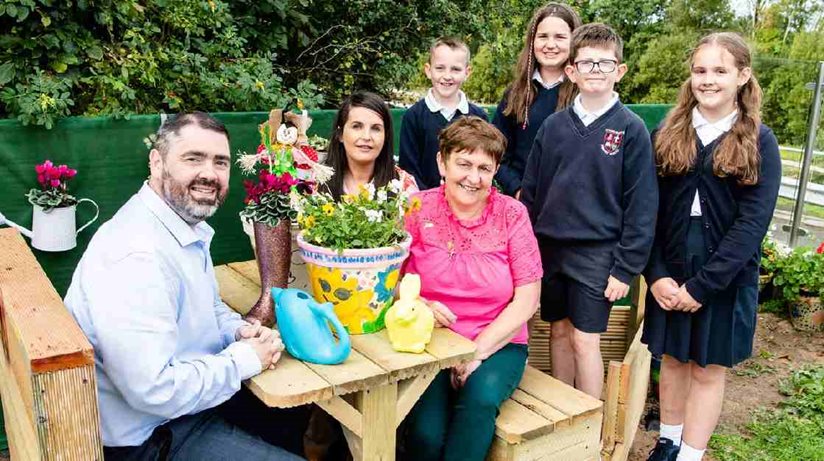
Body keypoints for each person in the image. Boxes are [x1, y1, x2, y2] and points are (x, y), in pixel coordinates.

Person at [64, 112, 307, 460]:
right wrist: (242, 360)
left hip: (177, 409)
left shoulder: (179, 225)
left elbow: (207, 307)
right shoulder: (136, 255)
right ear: (157, 162)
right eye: (193, 158)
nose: (209, 173)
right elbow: (152, 391)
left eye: (220, 162)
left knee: (295, 409)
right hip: (147, 437)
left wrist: (237, 332)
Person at [643, 33, 781, 461]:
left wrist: (703, 287)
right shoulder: (667, 133)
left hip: (723, 275)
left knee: (706, 367)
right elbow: (648, 212)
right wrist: (657, 273)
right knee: (672, 359)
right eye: (700, 70)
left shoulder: (760, 141)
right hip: (672, 266)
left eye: (720, 71)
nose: (708, 80)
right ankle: (667, 442)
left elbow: (751, 225)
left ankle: (690, 454)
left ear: (742, 76)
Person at [520, 23, 658, 399]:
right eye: (587, 63)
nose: (596, 70)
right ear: (571, 71)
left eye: (605, 63)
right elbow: (530, 194)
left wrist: (625, 268)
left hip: (598, 255)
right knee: (558, 331)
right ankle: (563, 410)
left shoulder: (631, 130)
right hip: (549, 250)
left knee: (585, 339)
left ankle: (590, 418)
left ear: (620, 70)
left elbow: (642, 207)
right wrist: (524, 252)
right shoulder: (553, 127)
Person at [401, 116, 542, 461]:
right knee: (425, 433)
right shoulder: (416, 208)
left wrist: (476, 353)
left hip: (498, 343)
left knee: (477, 403)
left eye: (484, 167)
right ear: (442, 162)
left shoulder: (512, 214)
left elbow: (527, 299)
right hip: (429, 342)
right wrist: (418, 303)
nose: (473, 177)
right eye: (463, 163)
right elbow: (391, 281)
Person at [492, 2, 581, 198]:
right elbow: (496, 151)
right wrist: (517, 189)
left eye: (560, 37)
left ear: (574, 41)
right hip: (522, 201)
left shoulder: (583, 95)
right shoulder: (514, 94)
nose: (550, 44)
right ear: (532, 41)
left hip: (571, 204)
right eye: (542, 36)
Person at [399, 37, 488, 190]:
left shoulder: (479, 117)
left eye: (455, 69)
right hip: (425, 203)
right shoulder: (414, 116)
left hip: (467, 200)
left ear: (467, 72)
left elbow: (484, 164)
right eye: (440, 68)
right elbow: (409, 169)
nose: (447, 76)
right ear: (428, 70)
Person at [323, 91, 417, 200]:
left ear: (386, 136)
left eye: (376, 129)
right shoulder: (316, 183)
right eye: (357, 126)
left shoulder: (404, 186)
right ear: (340, 134)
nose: (366, 137)